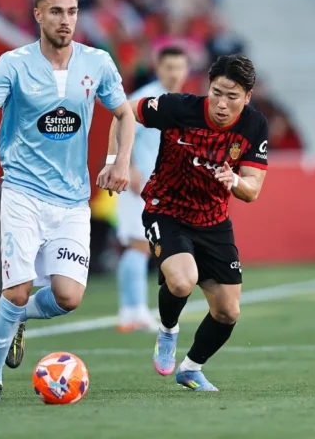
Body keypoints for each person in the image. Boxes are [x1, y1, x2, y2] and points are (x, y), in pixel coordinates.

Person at [0, 0, 136, 402]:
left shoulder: (97, 62)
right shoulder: (13, 63)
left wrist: (116, 162)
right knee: (16, 289)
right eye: (57, 11)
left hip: (73, 200)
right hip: (23, 193)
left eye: (72, 12)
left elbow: (125, 114)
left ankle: (16, 318)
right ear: (38, 14)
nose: (66, 21)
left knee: (67, 297)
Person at [104, 54, 268, 391]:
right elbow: (123, 114)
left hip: (213, 221)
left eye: (232, 96)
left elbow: (252, 190)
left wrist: (234, 182)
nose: (222, 104)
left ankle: (191, 368)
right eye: (217, 92)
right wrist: (117, 162)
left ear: (247, 97)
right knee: (182, 281)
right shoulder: (178, 107)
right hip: (167, 209)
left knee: (228, 312)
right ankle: (167, 330)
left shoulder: (254, 125)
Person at [114, 46, 189, 332]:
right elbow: (122, 126)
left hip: (164, 188)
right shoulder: (144, 98)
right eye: (169, 67)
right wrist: (128, 165)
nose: (174, 73)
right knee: (139, 245)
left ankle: (132, 310)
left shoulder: (183, 101)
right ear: (158, 68)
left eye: (179, 67)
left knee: (148, 248)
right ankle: (132, 311)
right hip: (139, 182)